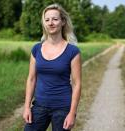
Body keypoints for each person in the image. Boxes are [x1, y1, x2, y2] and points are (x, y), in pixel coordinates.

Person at [23, 3, 81, 131]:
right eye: (47, 19)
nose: (51, 23)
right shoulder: (37, 49)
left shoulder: (73, 51)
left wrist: (72, 113)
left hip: (63, 108)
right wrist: (27, 107)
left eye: (55, 19)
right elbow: (31, 79)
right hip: (39, 106)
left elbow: (77, 84)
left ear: (63, 21)